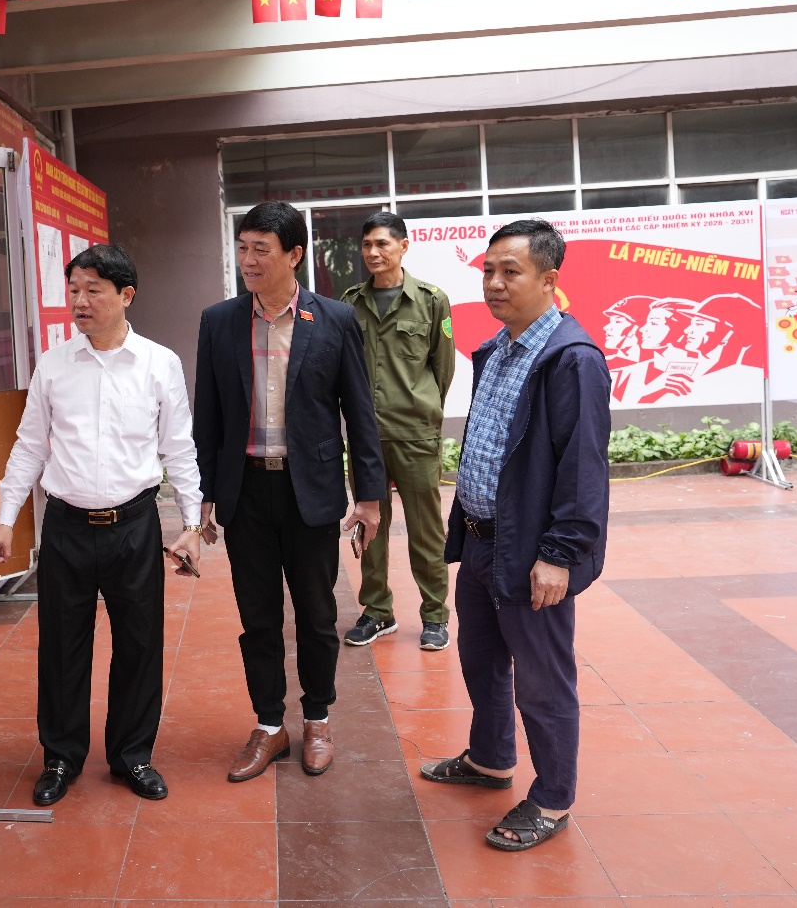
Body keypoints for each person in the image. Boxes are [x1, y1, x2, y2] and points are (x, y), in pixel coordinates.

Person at [0, 244, 204, 806]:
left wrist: (191, 522)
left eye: (93, 291)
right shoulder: (54, 365)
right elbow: (30, 445)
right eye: (74, 290)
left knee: (139, 645)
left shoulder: (160, 364)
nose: (80, 302)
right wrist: (5, 518)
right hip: (67, 528)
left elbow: (179, 447)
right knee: (62, 646)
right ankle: (61, 756)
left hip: (134, 525)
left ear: (126, 296)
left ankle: (133, 755)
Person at [419, 218, 610, 853]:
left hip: (530, 550)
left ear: (549, 280)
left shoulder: (572, 360)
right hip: (479, 541)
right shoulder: (499, 347)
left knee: (543, 678)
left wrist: (559, 555)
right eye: (488, 271)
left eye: (511, 272)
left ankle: (553, 796)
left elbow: (583, 468)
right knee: (481, 661)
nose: (494, 283)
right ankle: (490, 759)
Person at [193, 200, 384, 783]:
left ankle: (318, 719)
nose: (248, 261)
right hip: (246, 491)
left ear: (293, 255)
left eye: (261, 250)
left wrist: (370, 495)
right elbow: (210, 415)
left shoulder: (334, 320)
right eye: (243, 248)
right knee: (257, 618)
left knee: (319, 615)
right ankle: (270, 726)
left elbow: (361, 411)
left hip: (314, 493)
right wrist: (202, 494)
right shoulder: (219, 320)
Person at [338, 210, 456, 651]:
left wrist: (420, 411)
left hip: (415, 434)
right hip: (367, 438)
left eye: (383, 244)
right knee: (370, 525)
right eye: (367, 244)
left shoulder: (431, 300)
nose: (373, 252)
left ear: (403, 246)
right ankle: (377, 612)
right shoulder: (350, 303)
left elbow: (442, 369)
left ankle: (434, 615)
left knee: (427, 530)